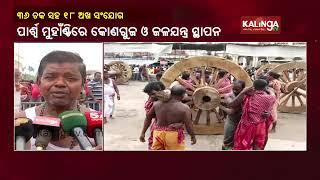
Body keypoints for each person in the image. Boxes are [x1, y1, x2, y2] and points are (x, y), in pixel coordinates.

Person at [14, 50, 102, 151]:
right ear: (39, 82)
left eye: (70, 78)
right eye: (50, 77)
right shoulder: (20, 123)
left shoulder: (99, 124)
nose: (60, 83)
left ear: (83, 84)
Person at [140, 85, 196, 150]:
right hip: (173, 135)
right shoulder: (184, 108)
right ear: (183, 95)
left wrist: (143, 133)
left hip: (158, 134)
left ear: (171, 93)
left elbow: (148, 118)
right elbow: (188, 125)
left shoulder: (157, 104)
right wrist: (192, 136)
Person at [233, 79, 276, 150]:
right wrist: (268, 89)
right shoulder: (270, 98)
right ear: (265, 87)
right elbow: (273, 94)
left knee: (243, 144)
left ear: (253, 86)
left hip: (247, 125)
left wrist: (244, 92)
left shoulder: (247, 96)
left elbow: (232, 104)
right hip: (260, 125)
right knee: (258, 145)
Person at [219, 80, 245, 150]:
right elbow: (231, 105)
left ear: (243, 89)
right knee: (227, 141)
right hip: (231, 121)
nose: (234, 90)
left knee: (240, 141)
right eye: (233, 88)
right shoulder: (228, 95)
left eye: (237, 89)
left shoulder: (246, 96)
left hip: (243, 122)